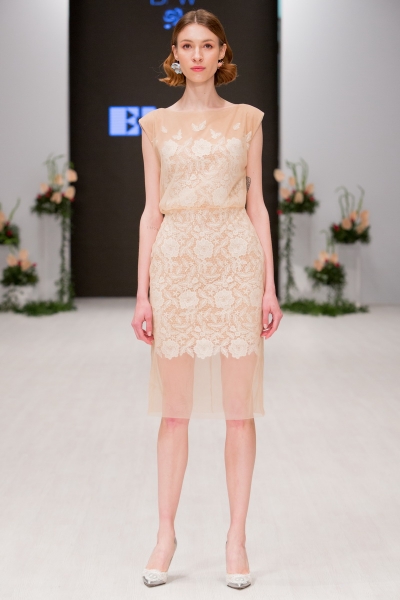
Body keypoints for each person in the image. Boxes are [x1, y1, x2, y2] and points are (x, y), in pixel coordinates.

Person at [131, 8, 282, 590]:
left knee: (239, 413)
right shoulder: (154, 125)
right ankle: (165, 534)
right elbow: (150, 213)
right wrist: (141, 294)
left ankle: (236, 539)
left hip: (235, 262)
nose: (197, 55)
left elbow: (257, 205)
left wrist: (269, 286)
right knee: (175, 413)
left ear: (222, 54)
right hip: (175, 265)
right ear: (176, 53)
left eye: (207, 45)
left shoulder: (248, 119)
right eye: (187, 45)